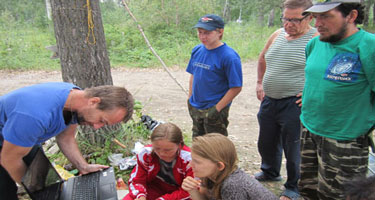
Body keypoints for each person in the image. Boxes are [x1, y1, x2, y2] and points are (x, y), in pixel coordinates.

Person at [0, 82, 134, 200]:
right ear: (93, 101)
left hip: (20, 137)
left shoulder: (74, 100)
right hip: (8, 144)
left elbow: (66, 138)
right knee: (6, 191)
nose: (97, 127)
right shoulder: (36, 116)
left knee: (46, 182)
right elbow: (9, 159)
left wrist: (83, 166)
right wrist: (36, 190)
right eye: (101, 121)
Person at [299, 0, 375, 199]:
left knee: (338, 196)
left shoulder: (369, 46)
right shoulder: (315, 43)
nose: (317, 24)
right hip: (309, 130)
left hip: (345, 140)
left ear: (351, 16)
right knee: (307, 189)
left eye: (326, 16)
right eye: (316, 17)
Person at [254, 0, 318, 199]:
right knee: (266, 140)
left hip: (294, 103)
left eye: (294, 19)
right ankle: (270, 171)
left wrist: (310, 93)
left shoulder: (316, 39)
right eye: (285, 18)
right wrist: (259, 82)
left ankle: (294, 185)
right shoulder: (277, 34)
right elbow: (263, 58)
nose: (288, 24)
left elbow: (321, 70)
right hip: (270, 99)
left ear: (309, 17)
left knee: (294, 145)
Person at [186, 14, 243, 137]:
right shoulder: (197, 50)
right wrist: (190, 99)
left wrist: (217, 109)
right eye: (200, 32)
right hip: (196, 106)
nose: (202, 36)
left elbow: (236, 87)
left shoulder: (229, 56)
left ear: (220, 32)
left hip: (215, 108)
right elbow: (193, 75)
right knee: (198, 145)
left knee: (215, 148)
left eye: (207, 33)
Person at [182, 133, 278, 200]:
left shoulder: (232, 184)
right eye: (192, 159)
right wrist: (192, 191)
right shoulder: (208, 174)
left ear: (219, 166)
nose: (190, 165)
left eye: (197, 162)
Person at [124, 122, 192, 200]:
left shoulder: (190, 160)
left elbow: (190, 191)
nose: (161, 154)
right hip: (153, 190)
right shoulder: (145, 154)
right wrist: (140, 195)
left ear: (179, 145)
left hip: (179, 195)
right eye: (157, 148)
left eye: (168, 150)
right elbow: (137, 180)